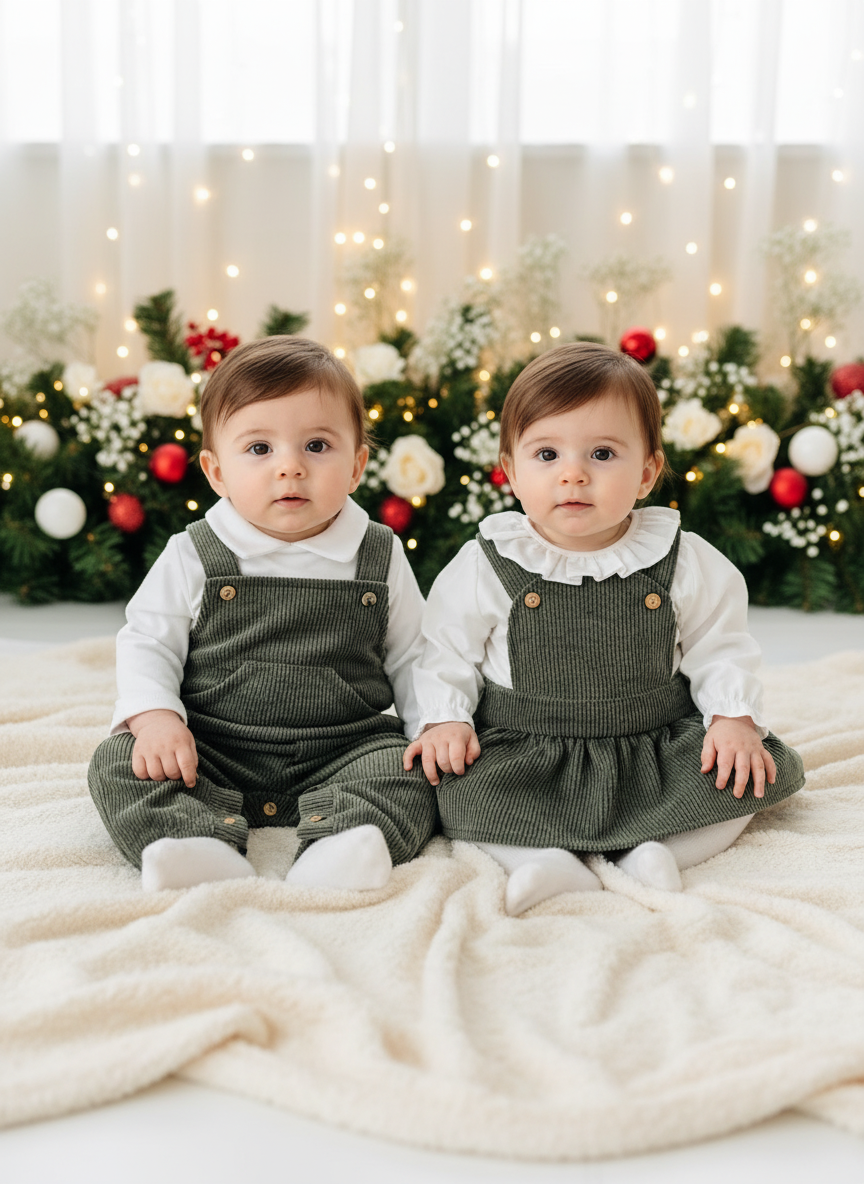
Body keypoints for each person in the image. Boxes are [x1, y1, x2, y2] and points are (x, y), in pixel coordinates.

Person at [404, 342, 804, 916]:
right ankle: (542, 863)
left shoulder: (681, 559)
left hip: (651, 741)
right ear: (511, 472)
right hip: (528, 750)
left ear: (646, 473)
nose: (573, 474)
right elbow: (443, 650)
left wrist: (732, 718)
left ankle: (660, 851)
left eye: (602, 454)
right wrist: (445, 718)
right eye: (547, 454)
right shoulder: (487, 564)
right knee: (461, 791)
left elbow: (721, 646)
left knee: (742, 775)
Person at [90, 336, 437, 893]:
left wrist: (433, 726)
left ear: (357, 465)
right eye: (259, 449)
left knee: (412, 771)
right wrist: (156, 718)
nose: (290, 468)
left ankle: (345, 843)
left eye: (318, 445)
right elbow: (148, 641)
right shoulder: (196, 551)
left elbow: (415, 655)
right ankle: (191, 842)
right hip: (213, 747)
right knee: (120, 761)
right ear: (216, 471)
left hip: (344, 748)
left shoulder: (377, 552)